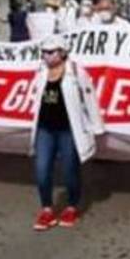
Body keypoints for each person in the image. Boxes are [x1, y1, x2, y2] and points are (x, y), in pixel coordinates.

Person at [29, 34, 105, 231]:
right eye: (44, 52)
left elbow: (89, 99)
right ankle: (46, 209)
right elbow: (35, 97)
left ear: (62, 52)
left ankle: (71, 206)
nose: (47, 56)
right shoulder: (40, 72)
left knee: (70, 170)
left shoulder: (76, 72)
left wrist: (96, 127)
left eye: (51, 52)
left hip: (68, 130)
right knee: (42, 170)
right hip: (45, 129)